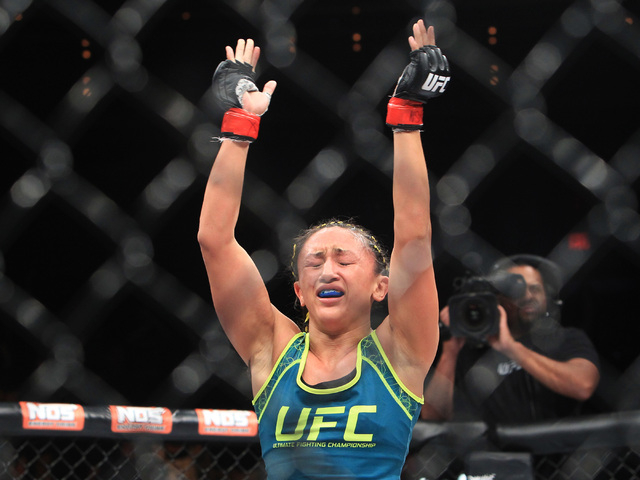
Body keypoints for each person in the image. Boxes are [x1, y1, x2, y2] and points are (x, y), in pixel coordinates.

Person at [198, 19, 449, 480]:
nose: (327, 270)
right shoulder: (272, 351)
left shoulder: (400, 352)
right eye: (313, 262)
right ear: (299, 290)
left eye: (344, 259)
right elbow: (214, 240)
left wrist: (407, 115)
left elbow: (414, 237)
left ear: (381, 286)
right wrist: (240, 126)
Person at [422, 254, 600, 424]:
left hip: (557, 444)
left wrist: (510, 348)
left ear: (547, 297)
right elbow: (432, 416)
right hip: (491, 446)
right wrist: (450, 351)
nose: (528, 296)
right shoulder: (472, 350)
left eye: (535, 289)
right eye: (517, 291)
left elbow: (583, 385)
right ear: (499, 299)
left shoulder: (566, 338)